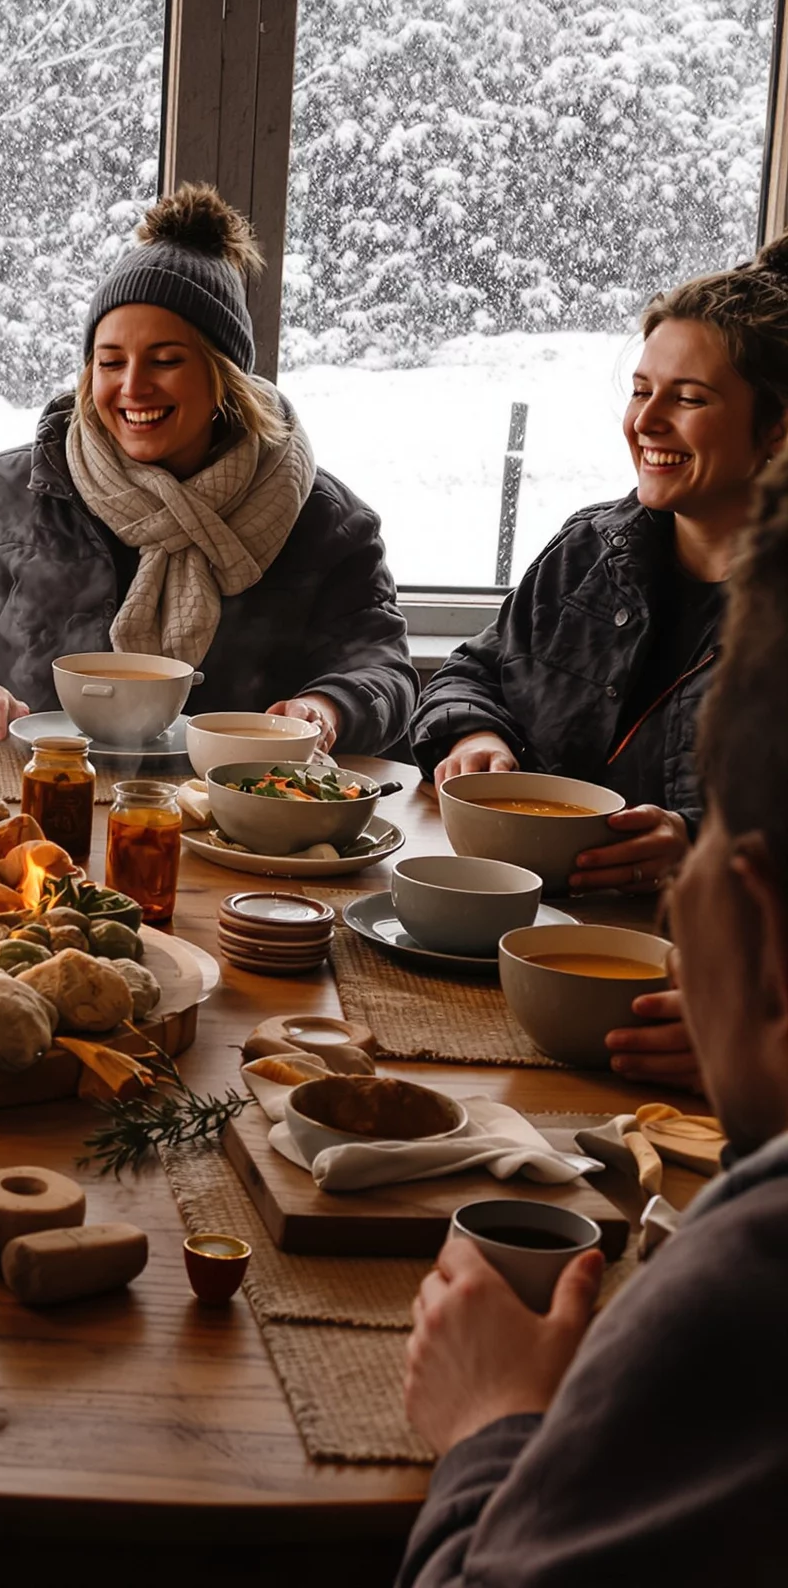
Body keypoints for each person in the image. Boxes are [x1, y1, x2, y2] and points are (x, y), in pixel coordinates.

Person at [394, 453, 788, 1586]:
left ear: (752, 910)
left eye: (699, 839)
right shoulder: (591, 549)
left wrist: (487, 1427)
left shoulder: (743, 1293)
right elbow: (468, 671)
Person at [0, 185, 416, 757]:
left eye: (166, 361)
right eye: (111, 362)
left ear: (224, 378)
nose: (133, 387)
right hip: (33, 801)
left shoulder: (324, 521)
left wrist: (330, 705)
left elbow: (380, 665)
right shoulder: (1, 495)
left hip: (235, 819)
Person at [411, 242, 788, 919]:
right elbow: (473, 672)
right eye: (642, 391)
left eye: (689, 399)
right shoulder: (587, 551)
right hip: (517, 924)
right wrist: (474, 737)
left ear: (777, 430)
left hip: (695, 973)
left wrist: (699, 847)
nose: (645, 422)